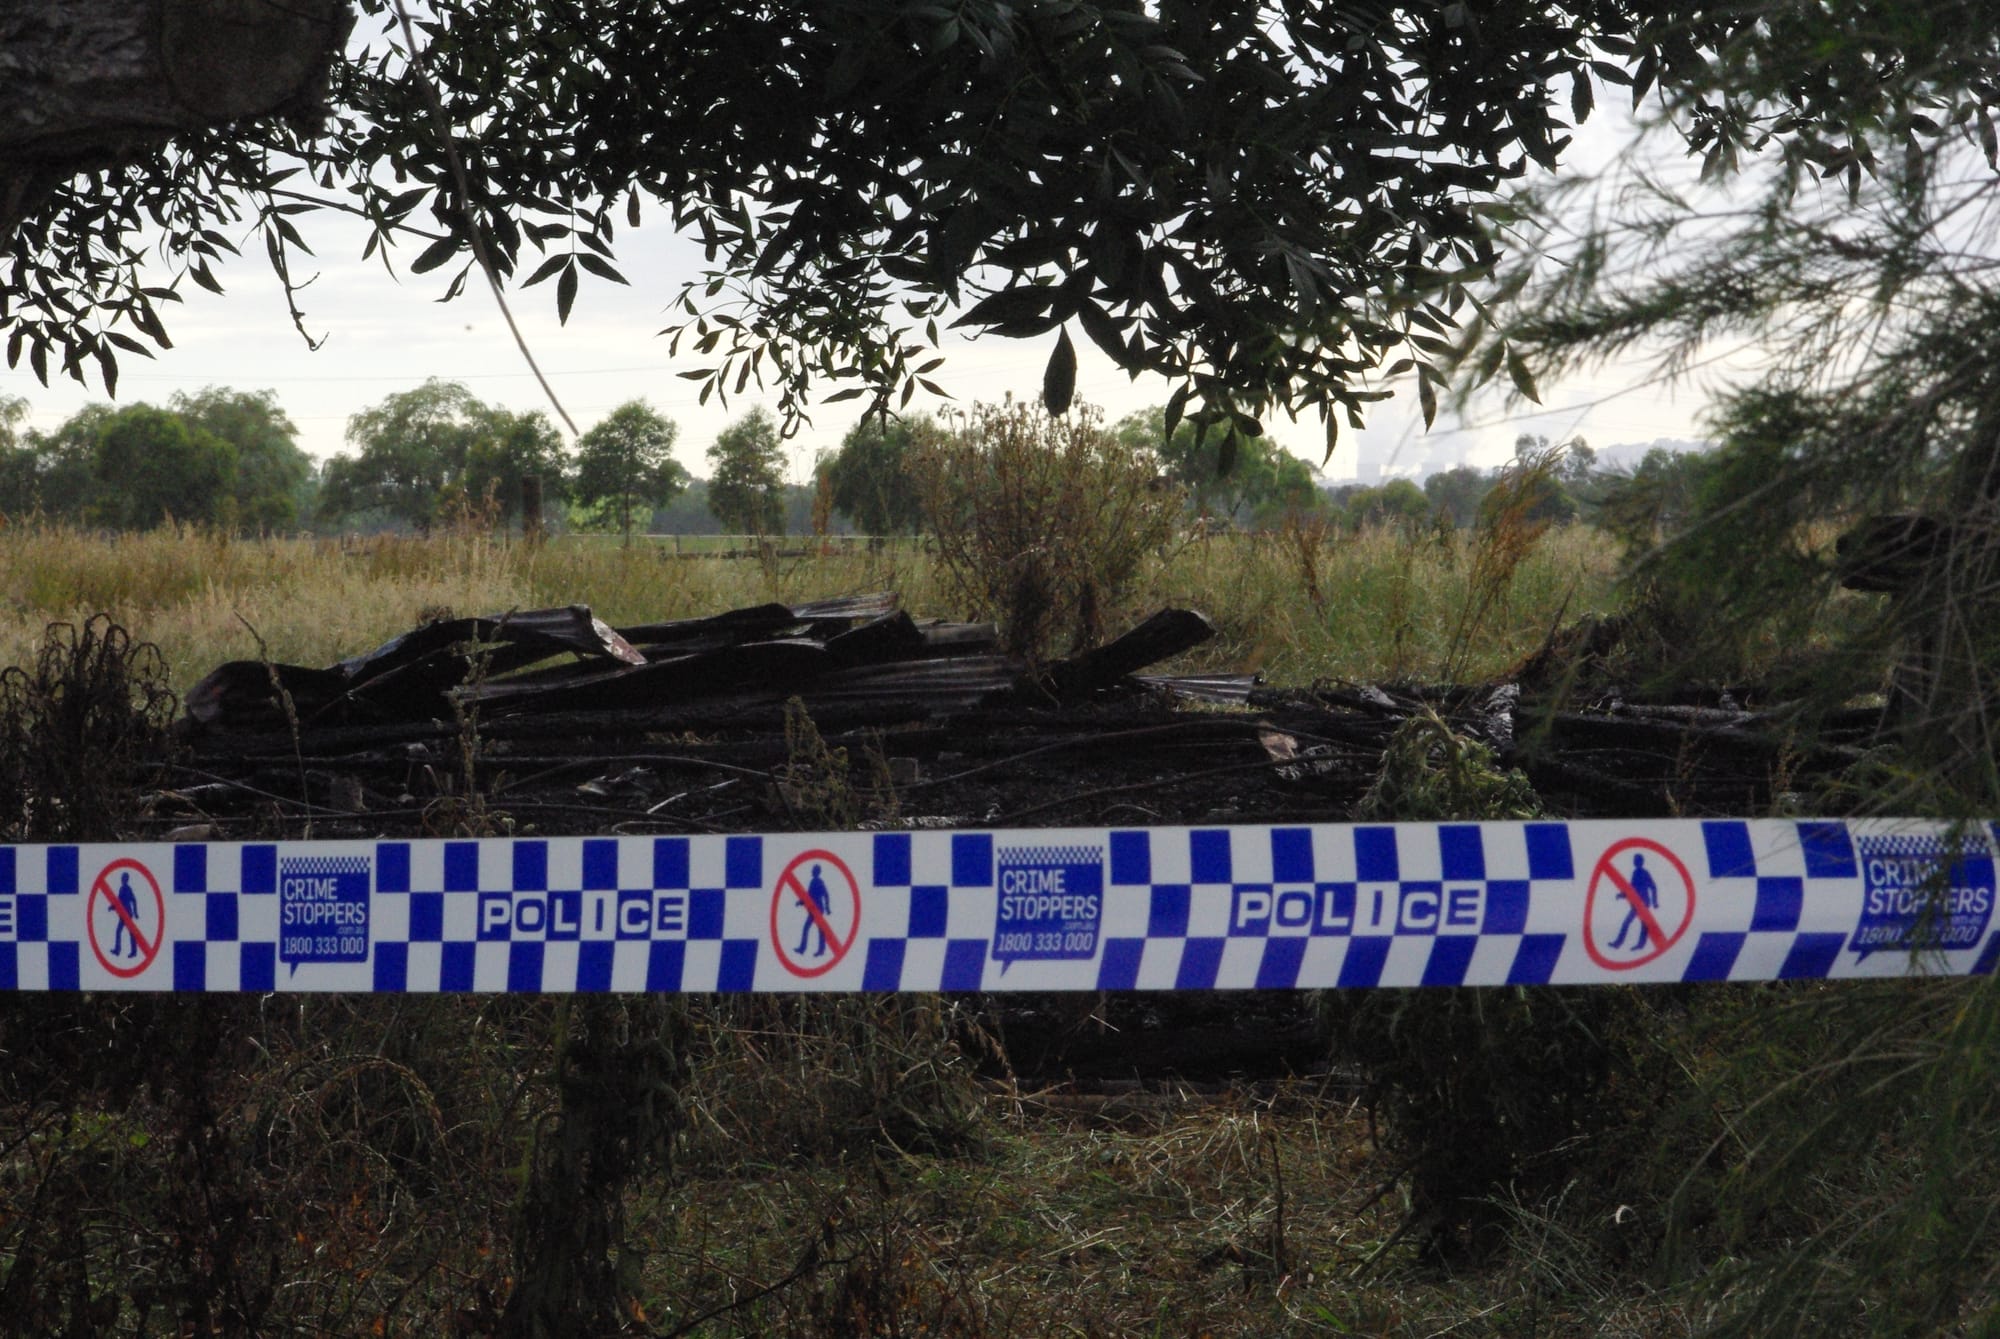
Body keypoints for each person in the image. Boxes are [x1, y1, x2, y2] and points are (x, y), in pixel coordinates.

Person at [1608, 853, 1660, 951]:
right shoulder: (1635, 873)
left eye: (1636, 860)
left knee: (1642, 924)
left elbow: (1653, 886)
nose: (1634, 862)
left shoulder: (1645, 873)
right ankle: (1619, 943)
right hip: (1636, 903)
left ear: (1640, 862)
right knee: (1628, 922)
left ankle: (1639, 945)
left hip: (1643, 903)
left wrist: (1655, 902)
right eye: (1634, 860)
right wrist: (1622, 895)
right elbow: (1631, 888)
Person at [793, 863, 831, 958]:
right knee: (812, 929)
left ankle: (818, 950)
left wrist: (827, 907)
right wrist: (800, 902)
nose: (811, 871)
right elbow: (809, 896)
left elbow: (825, 894)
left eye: (813, 870)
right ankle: (805, 949)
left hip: (817, 909)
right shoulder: (813, 881)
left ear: (816, 871)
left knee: (818, 930)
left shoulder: (818, 882)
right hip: (813, 909)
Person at [111, 871, 140, 958]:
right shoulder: (121, 888)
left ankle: (133, 952)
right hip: (123, 914)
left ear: (126, 879)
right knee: (120, 931)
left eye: (123, 878)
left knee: (130, 933)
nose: (121, 879)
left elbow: (134, 900)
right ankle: (118, 950)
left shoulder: (127, 889)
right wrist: (112, 907)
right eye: (121, 878)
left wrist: (135, 912)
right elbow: (118, 901)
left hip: (127, 914)